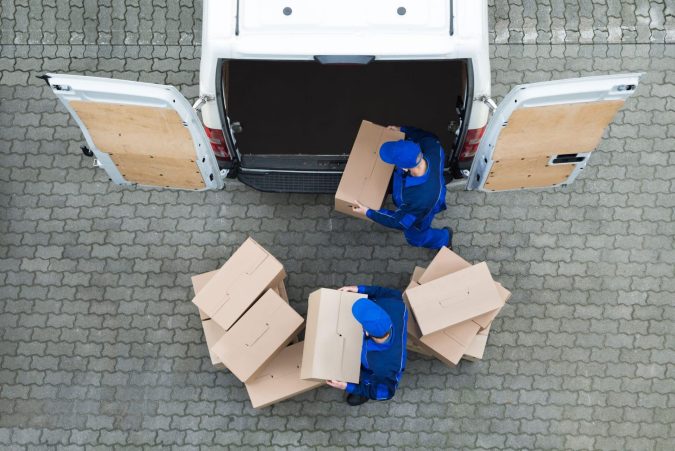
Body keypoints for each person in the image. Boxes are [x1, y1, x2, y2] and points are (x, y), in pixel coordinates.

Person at [352, 126, 452, 250]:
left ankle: (445, 239)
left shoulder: (418, 199)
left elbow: (398, 222)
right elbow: (425, 135)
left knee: (416, 238)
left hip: (427, 205)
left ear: (404, 168)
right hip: (435, 185)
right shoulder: (433, 146)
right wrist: (402, 129)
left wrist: (368, 212)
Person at [326, 285, 408, 406]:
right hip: (368, 353)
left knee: (365, 380)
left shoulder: (384, 368)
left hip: (372, 371)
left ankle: (361, 392)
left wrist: (348, 387)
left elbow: (385, 393)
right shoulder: (395, 304)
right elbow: (387, 291)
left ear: (366, 332)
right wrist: (359, 289)